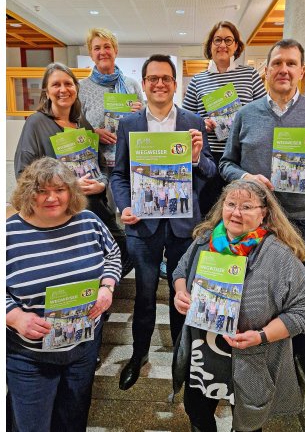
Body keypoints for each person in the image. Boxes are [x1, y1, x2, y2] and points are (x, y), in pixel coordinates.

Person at [172, 179, 305, 432]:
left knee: (248, 425)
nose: (236, 212)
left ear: (264, 213)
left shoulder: (279, 256)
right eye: (231, 204)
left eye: (247, 207)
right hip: (203, 353)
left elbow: (304, 310)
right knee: (197, 413)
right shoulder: (206, 240)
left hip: (250, 358)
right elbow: (180, 270)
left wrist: (262, 336)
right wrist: (180, 292)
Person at [109, 54, 216, 391]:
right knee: (143, 296)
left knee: (180, 295)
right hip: (143, 226)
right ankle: (139, 354)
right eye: (152, 78)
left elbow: (211, 173)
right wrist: (124, 207)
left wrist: (197, 157)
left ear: (174, 83)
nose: (159, 83)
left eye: (165, 78)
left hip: (184, 226)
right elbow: (118, 175)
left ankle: (180, 360)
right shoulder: (128, 124)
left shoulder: (192, 121)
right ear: (143, 84)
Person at [6, 157, 121, 432]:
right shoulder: (8, 233)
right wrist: (14, 315)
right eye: (42, 191)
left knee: (73, 421)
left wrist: (107, 286)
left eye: (59, 189)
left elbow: (113, 254)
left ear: (71, 191)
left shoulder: (88, 221)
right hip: (29, 356)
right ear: (27, 193)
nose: (51, 198)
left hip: (82, 347)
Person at [13, 62, 134, 280]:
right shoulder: (36, 123)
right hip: (60, 210)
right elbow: (23, 173)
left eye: (68, 83)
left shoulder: (82, 124)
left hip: (95, 206)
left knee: (125, 249)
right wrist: (67, 187)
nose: (63, 89)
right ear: (46, 91)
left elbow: (100, 166)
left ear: (76, 88)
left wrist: (102, 184)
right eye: (56, 84)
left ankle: (100, 290)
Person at [219, 38, 305, 265]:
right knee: (249, 284)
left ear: (302, 71)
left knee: (292, 287)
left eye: (291, 63)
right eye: (277, 63)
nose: (283, 70)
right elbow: (225, 164)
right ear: (266, 71)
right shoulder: (246, 114)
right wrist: (247, 178)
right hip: (252, 218)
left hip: (300, 219)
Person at [181, 21, 267, 219]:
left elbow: (263, 111)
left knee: (241, 212)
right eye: (217, 40)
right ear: (210, 45)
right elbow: (186, 119)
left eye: (229, 40)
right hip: (209, 158)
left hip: (241, 158)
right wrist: (202, 122)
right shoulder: (197, 80)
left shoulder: (250, 75)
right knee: (210, 212)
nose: (223, 45)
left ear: (236, 45)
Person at [79, 28, 144, 175]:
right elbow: (73, 126)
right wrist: (93, 134)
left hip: (128, 162)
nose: (102, 52)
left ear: (115, 51)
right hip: (95, 164)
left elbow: (145, 123)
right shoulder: (81, 88)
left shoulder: (131, 85)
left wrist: (140, 114)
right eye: (97, 48)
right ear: (91, 54)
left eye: (107, 46)